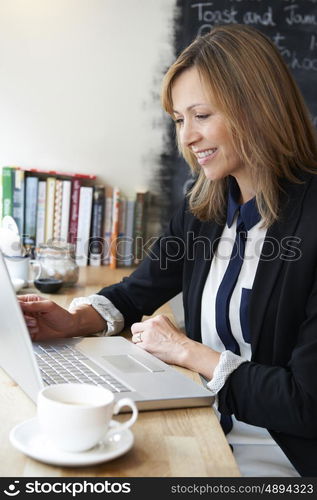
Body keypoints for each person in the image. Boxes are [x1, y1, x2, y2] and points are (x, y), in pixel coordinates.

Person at [19, 24, 317, 477]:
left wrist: (186, 351)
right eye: (179, 120)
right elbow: (137, 291)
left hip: (283, 457)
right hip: (207, 426)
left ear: (257, 108)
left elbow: (306, 403)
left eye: (201, 116)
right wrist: (74, 320)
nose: (187, 137)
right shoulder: (206, 208)